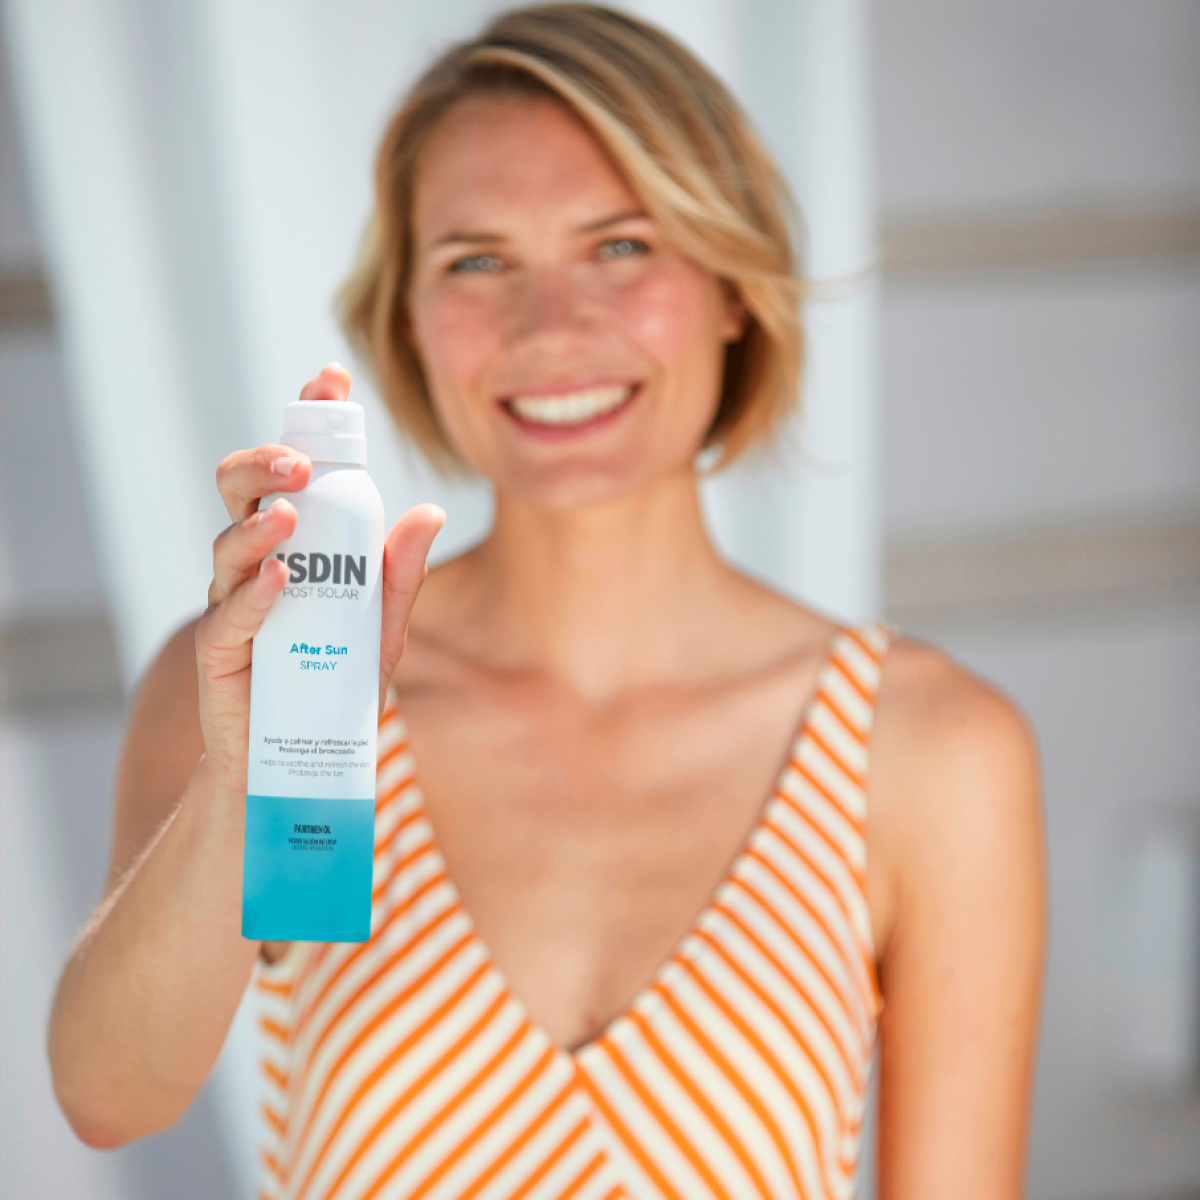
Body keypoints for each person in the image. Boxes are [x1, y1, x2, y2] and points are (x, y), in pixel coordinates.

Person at [47, 5, 1046, 1198]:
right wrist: (243, 777)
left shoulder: (929, 748)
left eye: (621, 246)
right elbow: (108, 1098)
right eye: (476, 261)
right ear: (408, 324)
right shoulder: (259, 684)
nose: (552, 327)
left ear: (733, 286)